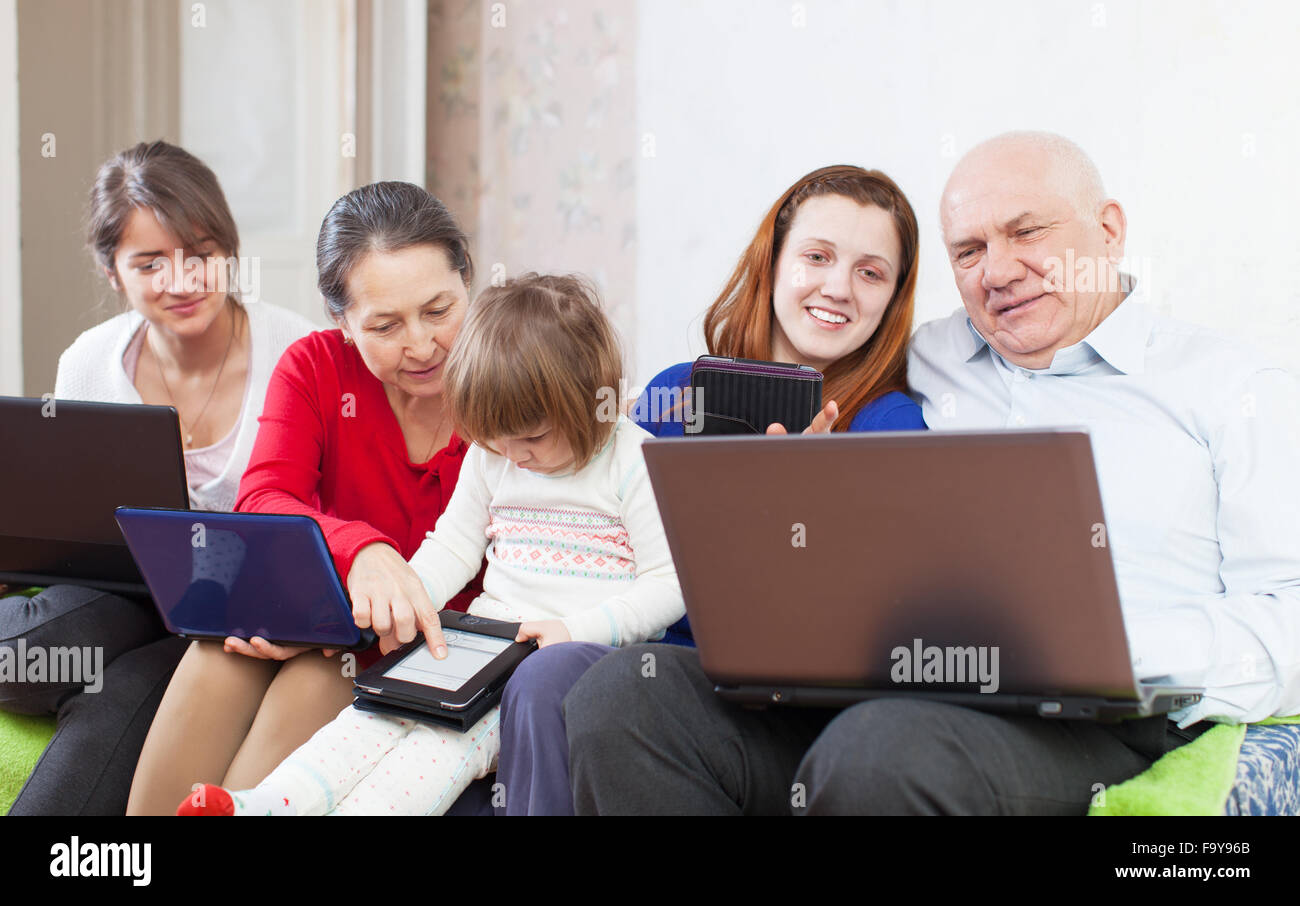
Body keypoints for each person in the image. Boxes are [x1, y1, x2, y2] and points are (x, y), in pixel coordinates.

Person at [563, 131, 1300, 815]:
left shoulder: (1230, 386)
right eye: (970, 249)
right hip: (880, 690)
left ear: (1108, 229)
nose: (999, 270)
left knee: (884, 750)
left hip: (1095, 723)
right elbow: (820, 333)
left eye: (1028, 232)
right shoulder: (932, 359)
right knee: (624, 698)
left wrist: (1117, 649)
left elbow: (1289, 611)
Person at [489, 164, 928, 815]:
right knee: (552, 675)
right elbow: (591, 533)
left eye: (871, 272)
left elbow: (891, 628)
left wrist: (806, 520)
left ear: (892, 296)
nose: (839, 287)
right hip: (641, 661)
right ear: (772, 262)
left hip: (790, 709)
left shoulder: (892, 425)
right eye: (817, 256)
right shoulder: (674, 393)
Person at [176, 273, 685, 816]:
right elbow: (452, 547)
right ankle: (263, 805)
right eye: (495, 437)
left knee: (434, 753)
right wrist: (404, 602)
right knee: (368, 719)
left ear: (590, 402)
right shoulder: (494, 456)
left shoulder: (635, 464)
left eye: (533, 437)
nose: (514, 455)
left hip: (575, 661)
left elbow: (671, 584)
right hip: (484, 642)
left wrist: (575, 631)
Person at [126, 181, 487, 815]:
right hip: (329, 623)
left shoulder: (506, 379)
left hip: (428, 645)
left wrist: (344, 619)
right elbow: (264, 497)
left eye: (438, 310)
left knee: (322, 675)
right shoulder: (315, 367)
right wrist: (361, 553)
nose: (422, 345)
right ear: (341, 321)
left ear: (467, 282)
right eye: (385, 325)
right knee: (220, 649)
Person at [0, 140, 315, 815]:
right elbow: (65, 513)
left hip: (228, 624)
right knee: (41, 645)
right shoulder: (90, 360)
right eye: (149, 263)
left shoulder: (299, 352)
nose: (181, 281)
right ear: (113, 272)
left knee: (111, 701)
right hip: (125, 595)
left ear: (228, 249)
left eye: (199, 254)